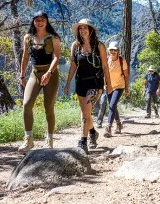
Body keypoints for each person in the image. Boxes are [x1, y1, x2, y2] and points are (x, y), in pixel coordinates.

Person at [64, 19, 110, 154]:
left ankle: (82, 142)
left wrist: (109, 84)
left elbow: (105, 67)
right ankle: (92, 132)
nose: (82, 30)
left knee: (84, 112)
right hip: (81, 83)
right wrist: (68, 83)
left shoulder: (99, 46)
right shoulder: (75, 46)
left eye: (85, 28)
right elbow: (73, 65)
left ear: (91, 30)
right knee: (86, 112)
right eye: (80, 28)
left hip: (95, 83)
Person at [18, 11, 61, 153]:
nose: (39, 22)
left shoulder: (53, 38)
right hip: (34, 74)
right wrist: (22, 76)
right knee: (26, 104)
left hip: (50, 74)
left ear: (47, 21)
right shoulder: (28, 37)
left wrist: (49, 73)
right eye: (37, 20)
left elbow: (56, 58)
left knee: (48, 107)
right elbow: (25, 58)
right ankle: (28, 140)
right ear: (33, 22)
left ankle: (49, 140)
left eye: (42, 19)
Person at [104, 41, 129, 137]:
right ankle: (119, 124)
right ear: (108, 50)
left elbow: (126, 76)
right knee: (112, 106)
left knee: (112, 105)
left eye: (114, 50)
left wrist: (127, 90)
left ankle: (108, 127)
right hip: (108, 87)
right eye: (111, 49)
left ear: (118, 51)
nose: (112, 51)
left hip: (119, 86)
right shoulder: (106, 60)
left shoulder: (122, 61)